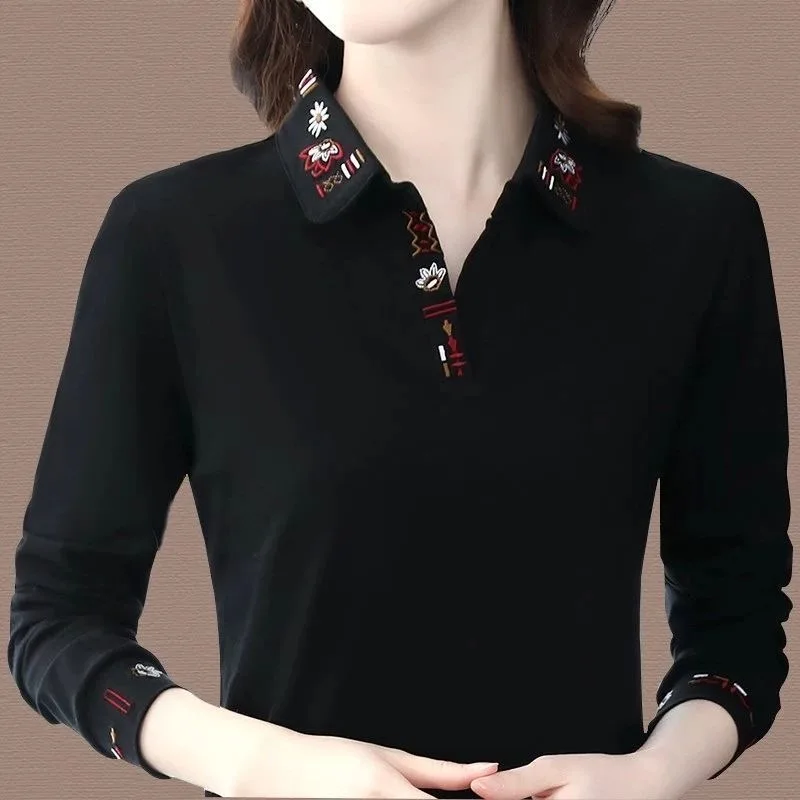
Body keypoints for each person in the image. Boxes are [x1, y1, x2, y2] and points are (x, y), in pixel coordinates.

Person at [7, 0, 792, 798]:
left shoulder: (695, 233)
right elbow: (59, 619)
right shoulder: (175, 237)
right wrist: (258, 765)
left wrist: (651, 775)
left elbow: (738, 626)